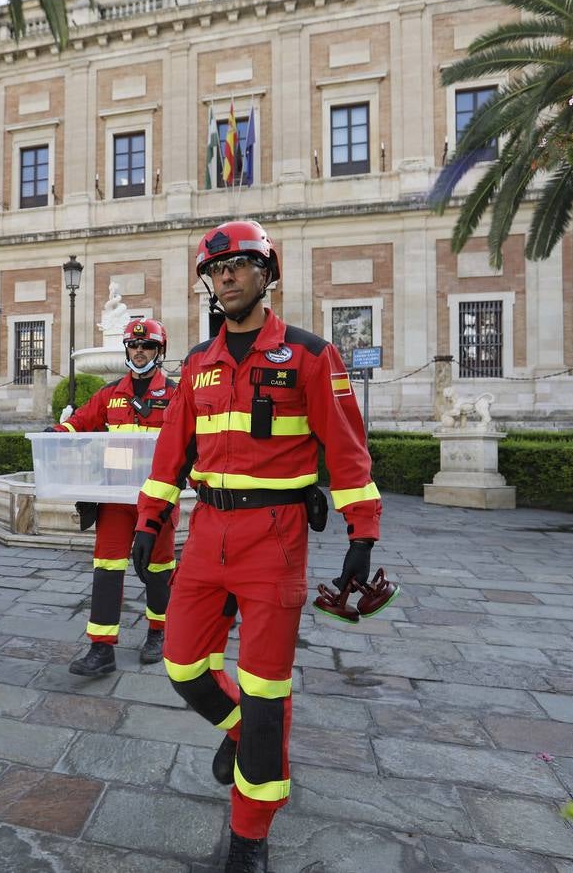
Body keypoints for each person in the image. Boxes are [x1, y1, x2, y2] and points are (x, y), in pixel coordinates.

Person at [130, 221, 383, 872]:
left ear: (267, 274)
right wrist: (148, 522)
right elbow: (169, 456)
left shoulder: (309, 355)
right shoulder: (197, 366)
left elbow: (349, 457)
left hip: (276, 541)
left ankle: (250, 836)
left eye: (241, 266)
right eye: (217, 270)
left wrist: (363, 533)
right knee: (183, 664)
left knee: (266, 689)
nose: (227, 277)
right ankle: (244, 735)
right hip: (206, 535)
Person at [47, 319, 180, 675]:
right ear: (127, 350)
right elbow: (81, 420)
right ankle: (101, 648)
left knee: (158, 567)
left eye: (147, 347)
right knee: (106, 569)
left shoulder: (175, 394)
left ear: (159, 352)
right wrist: (57, 431)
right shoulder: (110, 393)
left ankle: (158, 632)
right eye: (134, 346)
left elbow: (190, 439)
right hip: (115, 499)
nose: (140, 352)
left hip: (158, 497)